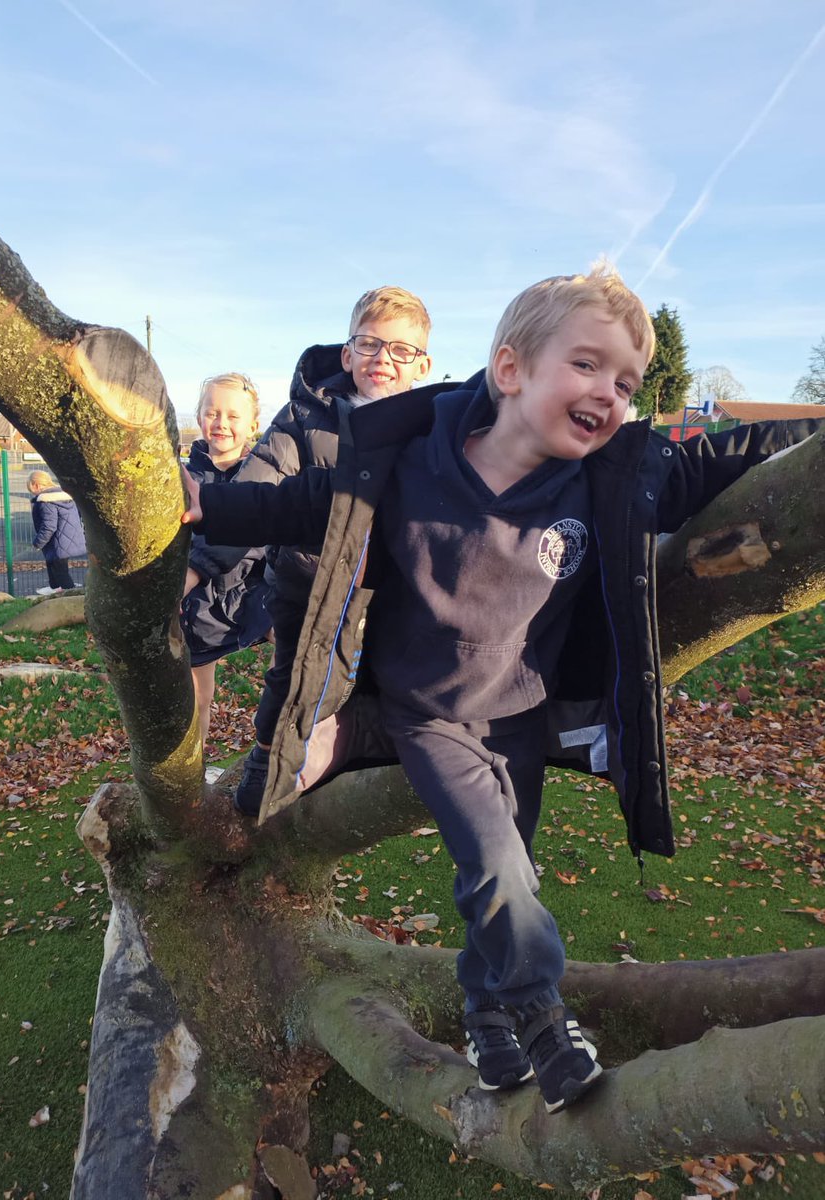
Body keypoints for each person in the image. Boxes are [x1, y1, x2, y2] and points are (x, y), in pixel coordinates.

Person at [183, 264, 822, 1114]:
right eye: (587, 365)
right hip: (429, 715)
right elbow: (299, 507)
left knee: (507, 867)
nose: (610, 392)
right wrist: (204, 505)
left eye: (627, 382)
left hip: (520, 718)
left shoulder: (604, 478)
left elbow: (723, 455)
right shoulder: (409, 459)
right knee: (495, 869)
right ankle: (538, 1013)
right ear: (511, 370)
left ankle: (486, 1021)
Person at [229, 286, 435, 815]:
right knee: (293, 677)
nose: (383, 359)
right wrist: (207, 561)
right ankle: (266, 767)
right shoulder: (307, 413)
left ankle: (345, 761)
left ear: (422, 363)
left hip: (387, 588)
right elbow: (259, 487)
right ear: (347, 354)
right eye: (369, 345)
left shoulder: (430, 426)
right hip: (308, 579)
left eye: (400, 350)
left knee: (368, 679)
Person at [180, 373, 272, 746]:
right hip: (199, 602)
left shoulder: (265, 474)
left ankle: (272, 748)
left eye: (233, 416)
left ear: (252, 424)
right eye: (212, 412)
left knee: (292, 650)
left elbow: (257, 537)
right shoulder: (181, 477)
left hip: (253, 590)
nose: (221, 424)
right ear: (199, 416)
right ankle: (194, 770)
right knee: (197, 698)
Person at [26, 470, 86, 594]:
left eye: (30, 488)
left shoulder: (46, 501)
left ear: (35, 485)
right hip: (69, 539)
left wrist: (38, 543)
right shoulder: (65, 496)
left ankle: (70, 597)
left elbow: (49, 526)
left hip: (58, 542)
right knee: (54, 566)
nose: (31, 493)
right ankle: (56, 590)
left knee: (60, 572)